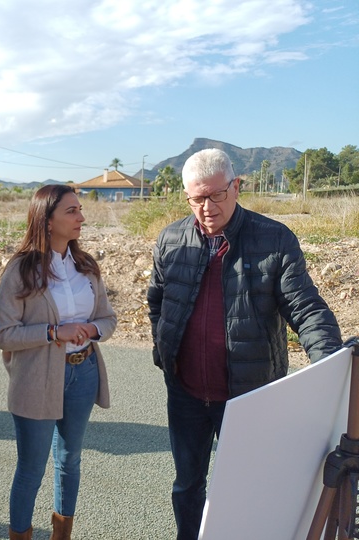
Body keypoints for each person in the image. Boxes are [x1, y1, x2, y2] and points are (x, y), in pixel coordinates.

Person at [147, 148, 342, 540]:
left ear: (237, 187)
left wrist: (330, 368)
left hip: (248, 396)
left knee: (251, 488)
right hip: (185, 394)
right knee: (187, 484)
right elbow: (157, 301)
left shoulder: (274, 240)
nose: (206, 207)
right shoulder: (171, 240)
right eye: (197, 198)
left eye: (216, 195)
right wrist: (165, 352)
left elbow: (305, 309)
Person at [0, 184, 117, 540]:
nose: (81, 217)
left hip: (85, 371)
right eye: (71, 211)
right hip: (36, 379)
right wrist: (52, 333)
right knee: (31, 469)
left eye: (80, 209)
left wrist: (90, 329)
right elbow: (3, 333)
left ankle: (61, 536)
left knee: (70, 461)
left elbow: (108, 319)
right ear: (46, 220)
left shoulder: (86, 266)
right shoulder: (20, 270)